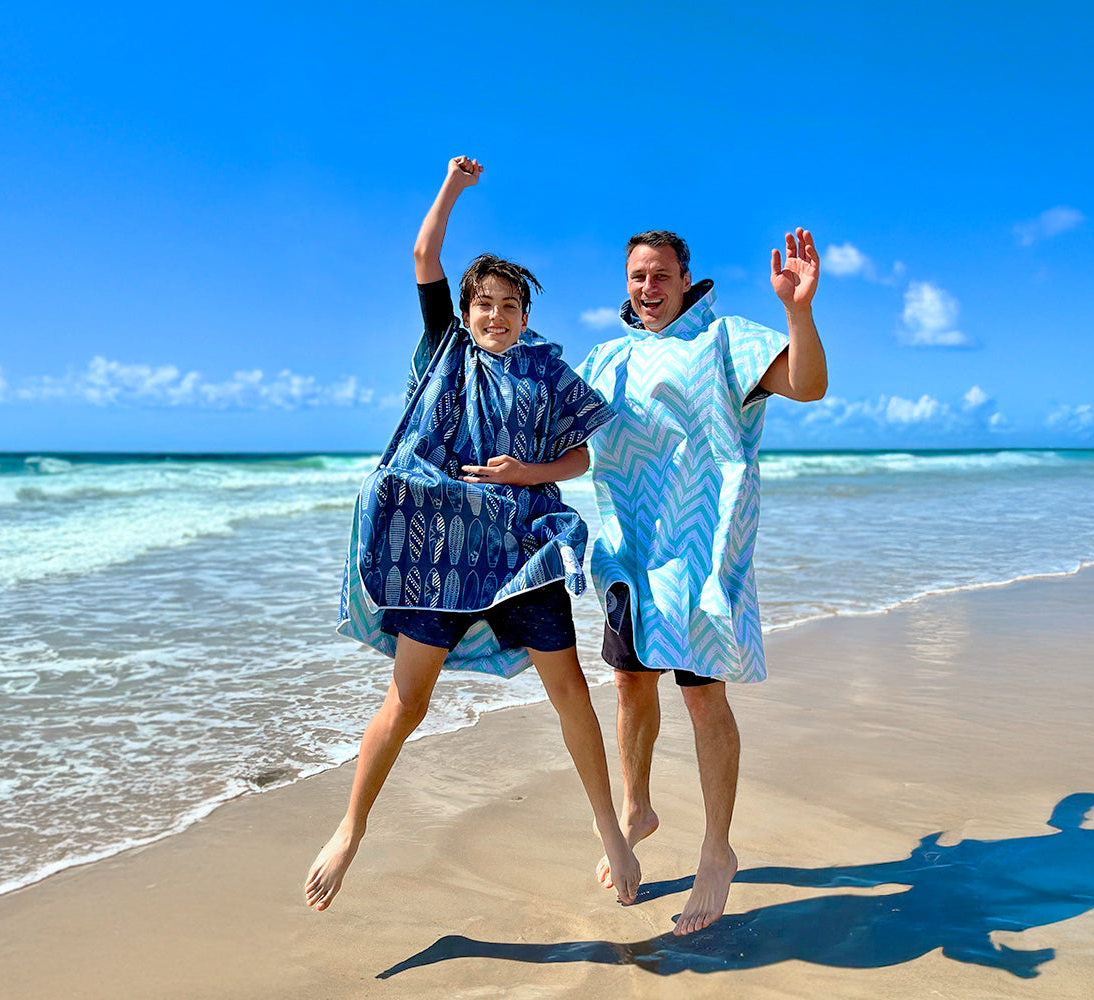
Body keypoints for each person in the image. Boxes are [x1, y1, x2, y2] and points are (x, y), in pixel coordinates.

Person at [305, 157, 640, 912]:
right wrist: (454, 188)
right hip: (439, 557)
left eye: (510, 305)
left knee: (570, 692)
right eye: (484, 303)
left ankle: (611, 831)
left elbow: (582, 456)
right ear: (466, 310)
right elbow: (424, 254)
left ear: (526, 314)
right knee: (407, 702)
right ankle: (351, 829)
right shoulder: (444, 349)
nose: (497, 315)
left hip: (523, 550)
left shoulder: (547, 373)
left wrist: (528, 473)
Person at [577, 228, 827, 935]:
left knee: (702, 696)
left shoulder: (725, 340)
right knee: (630, 683)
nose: (648, 288)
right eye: (637, 276)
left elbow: (808, 386)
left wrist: (798, 312)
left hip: (701, 552)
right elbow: (557, 436)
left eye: (661, 275)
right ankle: (637, 808)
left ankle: (718, 850)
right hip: (630, 553)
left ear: (686, 280)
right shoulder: (606, 358)